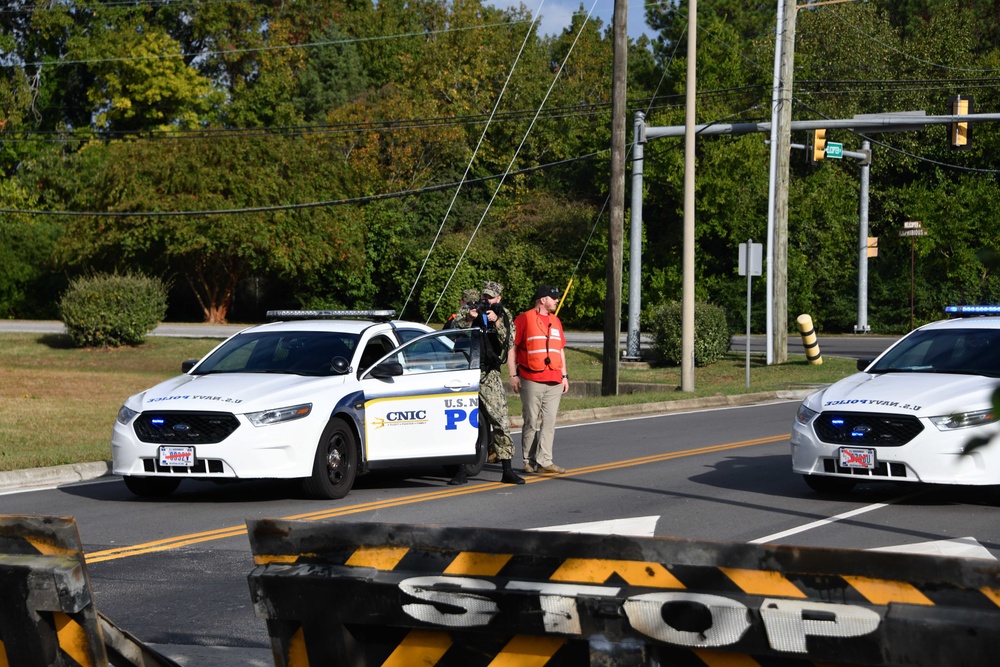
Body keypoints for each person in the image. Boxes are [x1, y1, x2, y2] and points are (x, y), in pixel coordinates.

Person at [448, 280, 524, 486]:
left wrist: (497, 322)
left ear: (498, 298)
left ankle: (507, 469)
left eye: (490, 297)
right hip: (466, 371)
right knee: (464, 422)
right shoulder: (469, 310)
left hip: (488, 373)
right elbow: (453, 332)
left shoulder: (503, 314)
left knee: (500, 419)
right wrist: (470, 319)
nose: (486, 300)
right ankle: (461, 470)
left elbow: (510, 342)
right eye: (484, 297)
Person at [510, 285, 569, 475]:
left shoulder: (556, 321)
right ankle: (528, 460)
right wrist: (513, 375)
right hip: (531, 378)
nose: (557, 300)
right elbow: (513, 348)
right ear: (543, 299)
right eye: (554, 298)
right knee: (531, 420)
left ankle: (545, 461)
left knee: (549, 421)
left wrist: (565, 376)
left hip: (554, 379)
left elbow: (560, 349)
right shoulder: (524, 318)